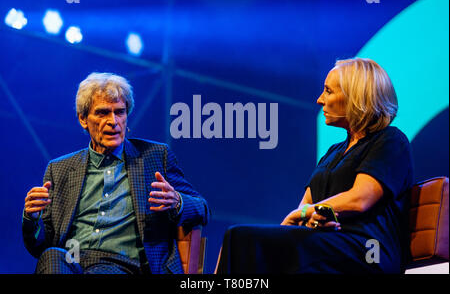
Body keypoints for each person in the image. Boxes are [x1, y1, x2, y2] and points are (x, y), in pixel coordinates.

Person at [216, 58, 413, 273]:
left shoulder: (390, 140)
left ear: (356, 98)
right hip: (328, 241)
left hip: (368, 250)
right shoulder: (333, 152)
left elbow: (360, 199)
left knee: (253, 244)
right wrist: (309, 218)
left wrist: (305, 213)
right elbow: (306, 205)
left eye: (328, 91)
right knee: (236, 237)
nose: (320, 100)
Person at [22, 72, 210, 274]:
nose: (113, 121)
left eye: (119, 112)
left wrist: (177, 201)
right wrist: (31, 218)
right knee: (51, 256)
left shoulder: (155, 157)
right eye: (103, 113)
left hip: (125, 265)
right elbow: (40, 246)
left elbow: (203, 209)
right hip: (72, 260)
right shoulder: (59, 169)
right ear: (83, 119)